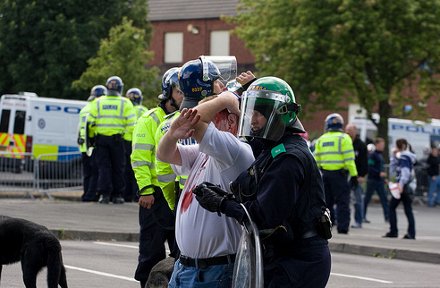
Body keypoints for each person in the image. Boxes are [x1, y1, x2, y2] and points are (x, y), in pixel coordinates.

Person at [193, 76, 331, 287]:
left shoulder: (288, 158)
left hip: (299, 260)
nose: (253, 119)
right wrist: (234, 91)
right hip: (283, 254)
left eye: (260, 113)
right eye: (251, 111)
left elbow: (264, 216)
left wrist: (222, 203)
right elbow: (196, 117)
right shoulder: (271, 147)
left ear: (280, 115)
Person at [156, 58, 255, 288]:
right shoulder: (206, 153)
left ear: (231, 120)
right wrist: (171, 135)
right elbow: (165, 154)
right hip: (187, 267)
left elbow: (196, 120)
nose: (208, 124)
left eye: (214, 117)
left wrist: (224, 97)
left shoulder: (234, 150)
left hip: (214, 271)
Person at [131, 67, 183, 288]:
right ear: (168, 92)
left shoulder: (186, 118)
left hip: (179, 193)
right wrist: (145, 189)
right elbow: (140, 158)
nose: (184, 95)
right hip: (154, 196)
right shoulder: (150, 119)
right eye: (179, 91)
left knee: (181, 252)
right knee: (151, 251)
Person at [88, 76, 136, 204]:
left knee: (104, 167)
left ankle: (104, 195)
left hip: (101, 140)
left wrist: (91, 139)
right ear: (120, 88)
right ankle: (118, 195)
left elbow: (90, 123)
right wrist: (125, 140)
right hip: (118, 140)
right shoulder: (125, 103)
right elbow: (132, 124)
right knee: (118, 168)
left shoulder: (97, 102)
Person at [314, 113, 357, 234]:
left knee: (327, 202)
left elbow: (316, 160)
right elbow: (349, 159)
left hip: (325, 175)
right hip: (340, 175)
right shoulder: (344, 138)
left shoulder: (321, 139)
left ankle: (328, 225)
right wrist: (354, 175)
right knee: (342, 202)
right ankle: (342, 228)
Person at [77, 85, 106, 202]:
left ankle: (86, 194)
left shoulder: (85, 108)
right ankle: (91, 195)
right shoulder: (95, 108)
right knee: (95, 173)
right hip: (93, 146)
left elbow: (80, 128)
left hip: (84, 147)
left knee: (87, 173)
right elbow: (92, 127)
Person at [383, 138, 417, 240]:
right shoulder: (404, 156)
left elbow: (405, 172)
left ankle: (394, 231)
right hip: (402, 185)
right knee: (407, 209)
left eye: (397, 146)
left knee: (393, 208)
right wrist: (393, 156)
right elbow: (394, 168)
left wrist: (401, 185)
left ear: (401, 146)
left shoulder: (404, 156)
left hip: (403, 186)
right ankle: (410, 233)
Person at [122, 88, 145, 202]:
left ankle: (126, 195)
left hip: (127, 142)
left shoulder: (126, 108)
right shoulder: (144, 110)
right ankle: (137, 195)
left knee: (126, 170)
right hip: (141, 143)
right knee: (139, 169)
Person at [345, 123, 368, 228]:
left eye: (350, 130)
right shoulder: (344, 142)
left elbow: (364, 161)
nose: (348, 132)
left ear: (355, 131)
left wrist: (362, 175)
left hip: (357, 175)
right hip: (345, 175)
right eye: (347, 130)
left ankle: (358, 221)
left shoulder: (361, 145)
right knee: (343, 199)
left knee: (358, 200)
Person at [364, 137, 389, 223]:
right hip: (372, 180)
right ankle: (362, 216)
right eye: (382, 145)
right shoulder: (373, 155)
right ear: (377, 144)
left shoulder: (380, 155)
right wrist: (378, 173)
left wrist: (384, 178)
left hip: (380, 181)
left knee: (384, 199)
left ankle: (387, 217)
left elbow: (381, 168)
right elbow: (370, 167)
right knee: (367, 199)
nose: (383, 146)